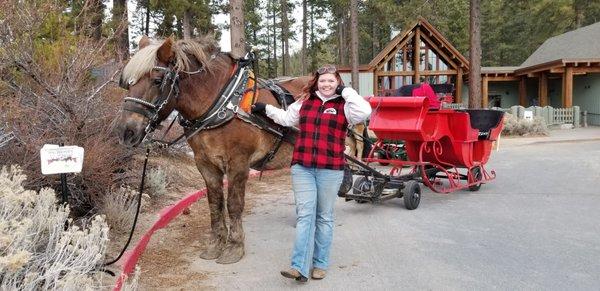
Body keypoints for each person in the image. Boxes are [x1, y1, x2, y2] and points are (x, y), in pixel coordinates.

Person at [251, 64, 371, 282]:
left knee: (324, 218)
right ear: (316, 82)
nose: (326, 84)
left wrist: (346, 92)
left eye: (331, 81)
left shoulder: (345, 105)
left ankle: (320, 263)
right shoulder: (305, 101)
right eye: (322, 80)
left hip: (331, 168)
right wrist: (265, 109)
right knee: (305, 216)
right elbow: (287, 119)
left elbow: (365, 111)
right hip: (303, 167)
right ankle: (298, 267)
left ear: (338, 83)